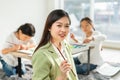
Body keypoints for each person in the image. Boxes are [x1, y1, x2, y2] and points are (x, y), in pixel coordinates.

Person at [32, 9, 78, 80]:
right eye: (59, 25)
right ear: (49, 27)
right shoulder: (41, 55)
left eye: (66, 26)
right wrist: (62, 76)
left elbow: (73, 74)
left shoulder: (65, 45)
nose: (63, 30)